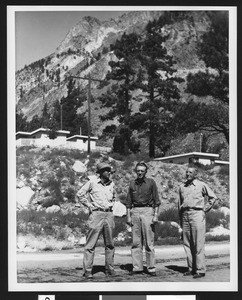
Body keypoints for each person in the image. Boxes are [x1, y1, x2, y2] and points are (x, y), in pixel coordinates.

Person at [76, 162, 116, 279]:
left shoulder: (112, 184)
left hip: (108, 214)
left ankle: (110, 269)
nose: (109, 172)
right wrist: (89, 206)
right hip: (96, 214)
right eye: (106, 170)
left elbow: (114, 197)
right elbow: (80, 194)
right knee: (90, 244)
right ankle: (87, 271)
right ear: (99, 173)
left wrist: (111, 205)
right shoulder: (92, 183)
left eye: (109, 170)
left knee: (110, 244)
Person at [178, 166, 217, 279]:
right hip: (185, 215)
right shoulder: (182, 187)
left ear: (195, 174)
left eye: (190, 172)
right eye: (186, 172)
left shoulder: (201, 185)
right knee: (187, 243)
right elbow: (179, 204)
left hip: (197, 214)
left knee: (198, 243)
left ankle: (200, 270)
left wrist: (204, 210)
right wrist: (180, 218)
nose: (188, 174)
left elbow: (213, 197)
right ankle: (191, 269)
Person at [126, 162, 161, 276]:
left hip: (148, 211)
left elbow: (156, 200)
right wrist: (128, 216)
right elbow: (128, 202)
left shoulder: (151, 182)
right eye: (138, 171)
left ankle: (151, 268)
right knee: (136, 242)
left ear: (145, 172)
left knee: (149, 242)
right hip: (135, 212)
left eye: (142, 171)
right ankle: (137, 267)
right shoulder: (132, 184)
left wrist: (155, 215)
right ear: (136, 171)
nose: (140, 173)